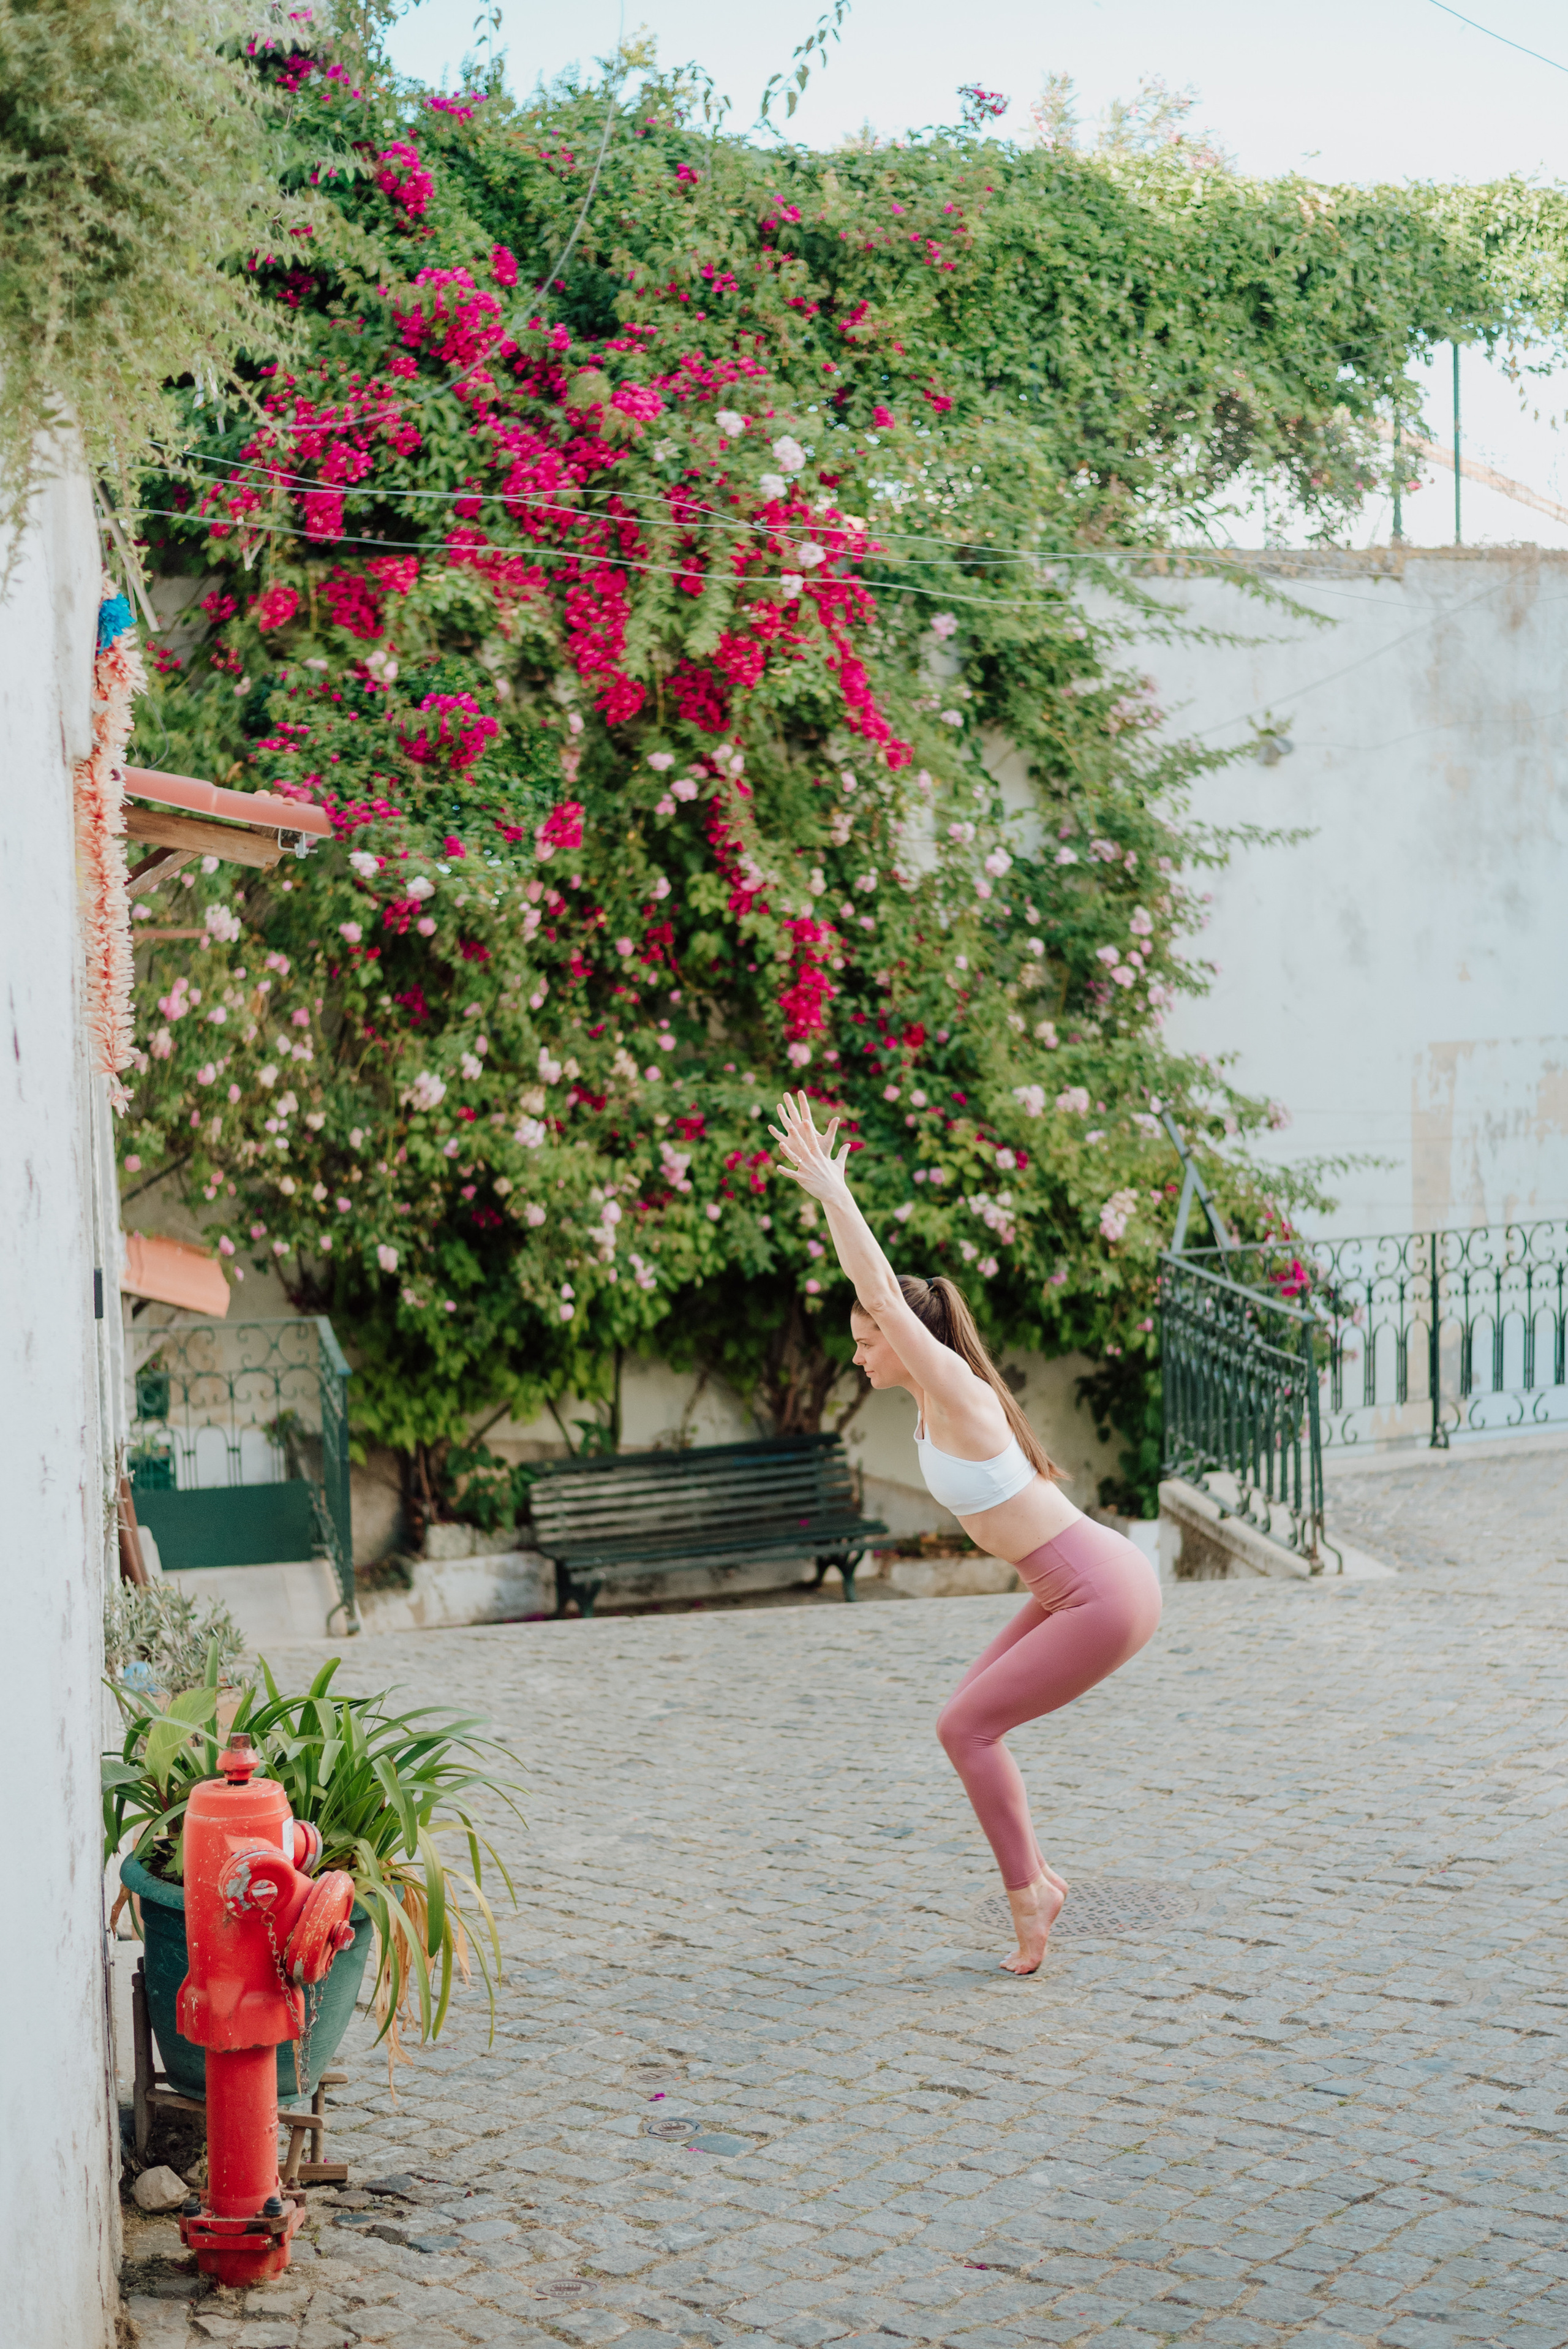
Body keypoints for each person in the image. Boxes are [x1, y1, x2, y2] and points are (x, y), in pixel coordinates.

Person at [769, 1091, 1161, 1976]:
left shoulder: (957, 1393)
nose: (860, 1353)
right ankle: (1042, 1883)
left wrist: (835, 1191)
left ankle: (1033, 1900)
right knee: (966, 1719)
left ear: (911, 1341)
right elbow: (872, 1297)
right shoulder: (928, 1404)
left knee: (965, 1728)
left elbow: (877, 1285)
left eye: (869, 1340)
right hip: (1068, 1585)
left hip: (1102, 1589)